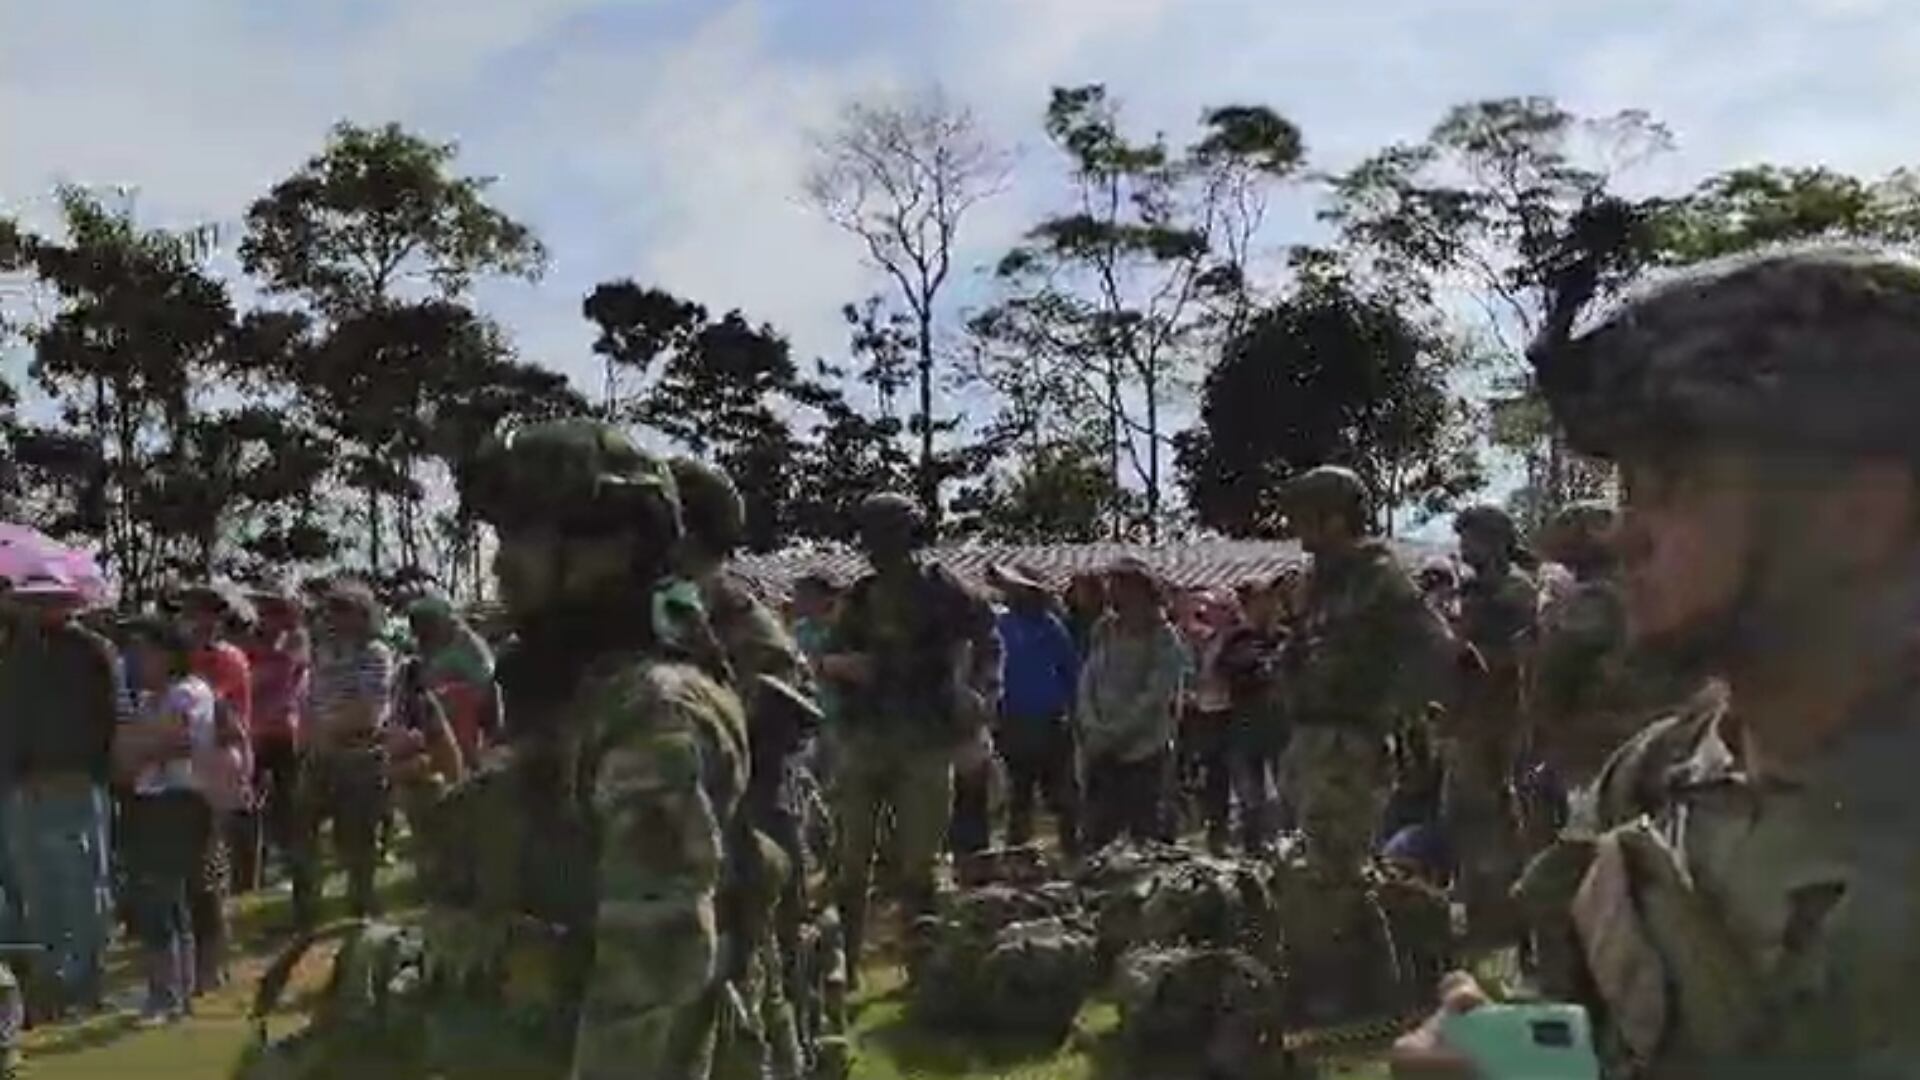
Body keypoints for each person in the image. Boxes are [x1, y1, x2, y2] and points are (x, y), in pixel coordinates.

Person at [1395, 248, 1920, 1077]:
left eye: (1674, 481)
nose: (1621, 531)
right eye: (1624, 487)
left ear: (1863, 512)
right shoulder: (1655, 777)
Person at [461, 419, 761, 1076]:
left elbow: (656, 972)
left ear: (614, 546)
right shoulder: (566, 692)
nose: (503, 559)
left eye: (528, 534)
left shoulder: (653, 711)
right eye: (502, 534)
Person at [821, 492, 1000, 984]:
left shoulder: (947, 593)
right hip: (867, 737)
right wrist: (846, 666)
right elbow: (828, 656)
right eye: (875, 542)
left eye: (888, 541)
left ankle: (923, 969)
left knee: (919, 866)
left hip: (926, 739)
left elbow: (988, 643)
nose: (880, 552)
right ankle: (844, 967)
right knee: (849, 862)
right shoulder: (859, 597)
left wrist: (977, 701)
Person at [0, 580, 117, 1019]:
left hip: (73, 783)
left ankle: (84, 982)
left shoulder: (90, 652)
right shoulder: (17, 653)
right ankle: (47, 983)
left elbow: (105, 721)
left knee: (82, 889)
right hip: (22, 787)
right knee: (37, 891)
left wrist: (84, 770)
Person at [111, 617, 217, 1025]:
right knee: (154, 901)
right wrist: (141, 743)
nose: (136, 660)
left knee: (165, 898)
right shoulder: (146, 700)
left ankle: (170, 995)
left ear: (169, 653)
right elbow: (124, 756)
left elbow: (173, 741)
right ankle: (168, 990)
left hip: (181, 802)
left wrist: (141, 744)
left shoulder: (189, 692)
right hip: (149, 800)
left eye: (145, 650)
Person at [1445, 505, 1537, 946]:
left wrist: (1466, 651)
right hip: (1471, 717)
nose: (1465, 549)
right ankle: (1483, 909)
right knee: (1470, 814)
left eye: (1472, 539)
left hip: (1504, 718)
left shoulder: (1515, 590)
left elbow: (1514, 657)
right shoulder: (1475, 591)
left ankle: (1509, 914)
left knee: (1502, 815)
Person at [289, 578, 393, 929]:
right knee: (300, 834)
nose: (331, 617)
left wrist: (325, 729)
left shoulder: (375, 654)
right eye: (330, 609)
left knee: (357, 842)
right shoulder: (321, 654)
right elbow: (312, 702)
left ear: (361, 614)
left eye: (341, 610)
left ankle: (361, 914)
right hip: (319, 758)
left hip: (359, 758)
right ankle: (305, 914)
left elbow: (369, 712)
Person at [1075, 558, 1185, 849]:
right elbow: (1089, 678)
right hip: (1100, 745)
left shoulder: (1164, 637)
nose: (1117, 592)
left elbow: (1157, 694)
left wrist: (1118, 732)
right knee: (1098, 830)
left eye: (1124, 585)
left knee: (1146, 832)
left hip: (1144, 747)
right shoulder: (1104, 629)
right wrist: (1092, 724)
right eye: (1114, 584)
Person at [991, 564, 1081, 854]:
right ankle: (1018, 855)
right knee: (1019, 794)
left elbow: (1071, 672)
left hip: (1050, 721)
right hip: (1011, 719)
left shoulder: (1051, 626)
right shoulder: (1000, 625)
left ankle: (1072, 851)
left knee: (1062, 794)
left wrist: (1075, 713)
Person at [234, 584, 309, 892]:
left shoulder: (295, 642)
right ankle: (251, 874)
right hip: (253, 734)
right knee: (249, 807)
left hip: (286, 734)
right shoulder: (248, 644)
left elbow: (282, 673)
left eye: (275, 611)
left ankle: (292, 872)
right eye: (264, 611)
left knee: (289, 806)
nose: (267, 618)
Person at [1216, 579, 1290, 854]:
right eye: (1260, 601)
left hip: (1281, 728)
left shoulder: (1286, 638)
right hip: (1245, 729)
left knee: (1288, 797)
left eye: (1271, 601)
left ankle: (1289, 851)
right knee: (1250, 800)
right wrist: (1264, 667)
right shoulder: (1236, 639)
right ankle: (1253, 852)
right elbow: (1229, 670)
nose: (1268, 607)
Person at [404, 592, 499, 766]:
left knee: (453, 696)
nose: (423, 629)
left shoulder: (468, 643)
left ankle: (467, 761)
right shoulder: (423, 649)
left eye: (428, 621)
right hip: (433, 707)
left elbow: (485, 681)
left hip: (471, 706)